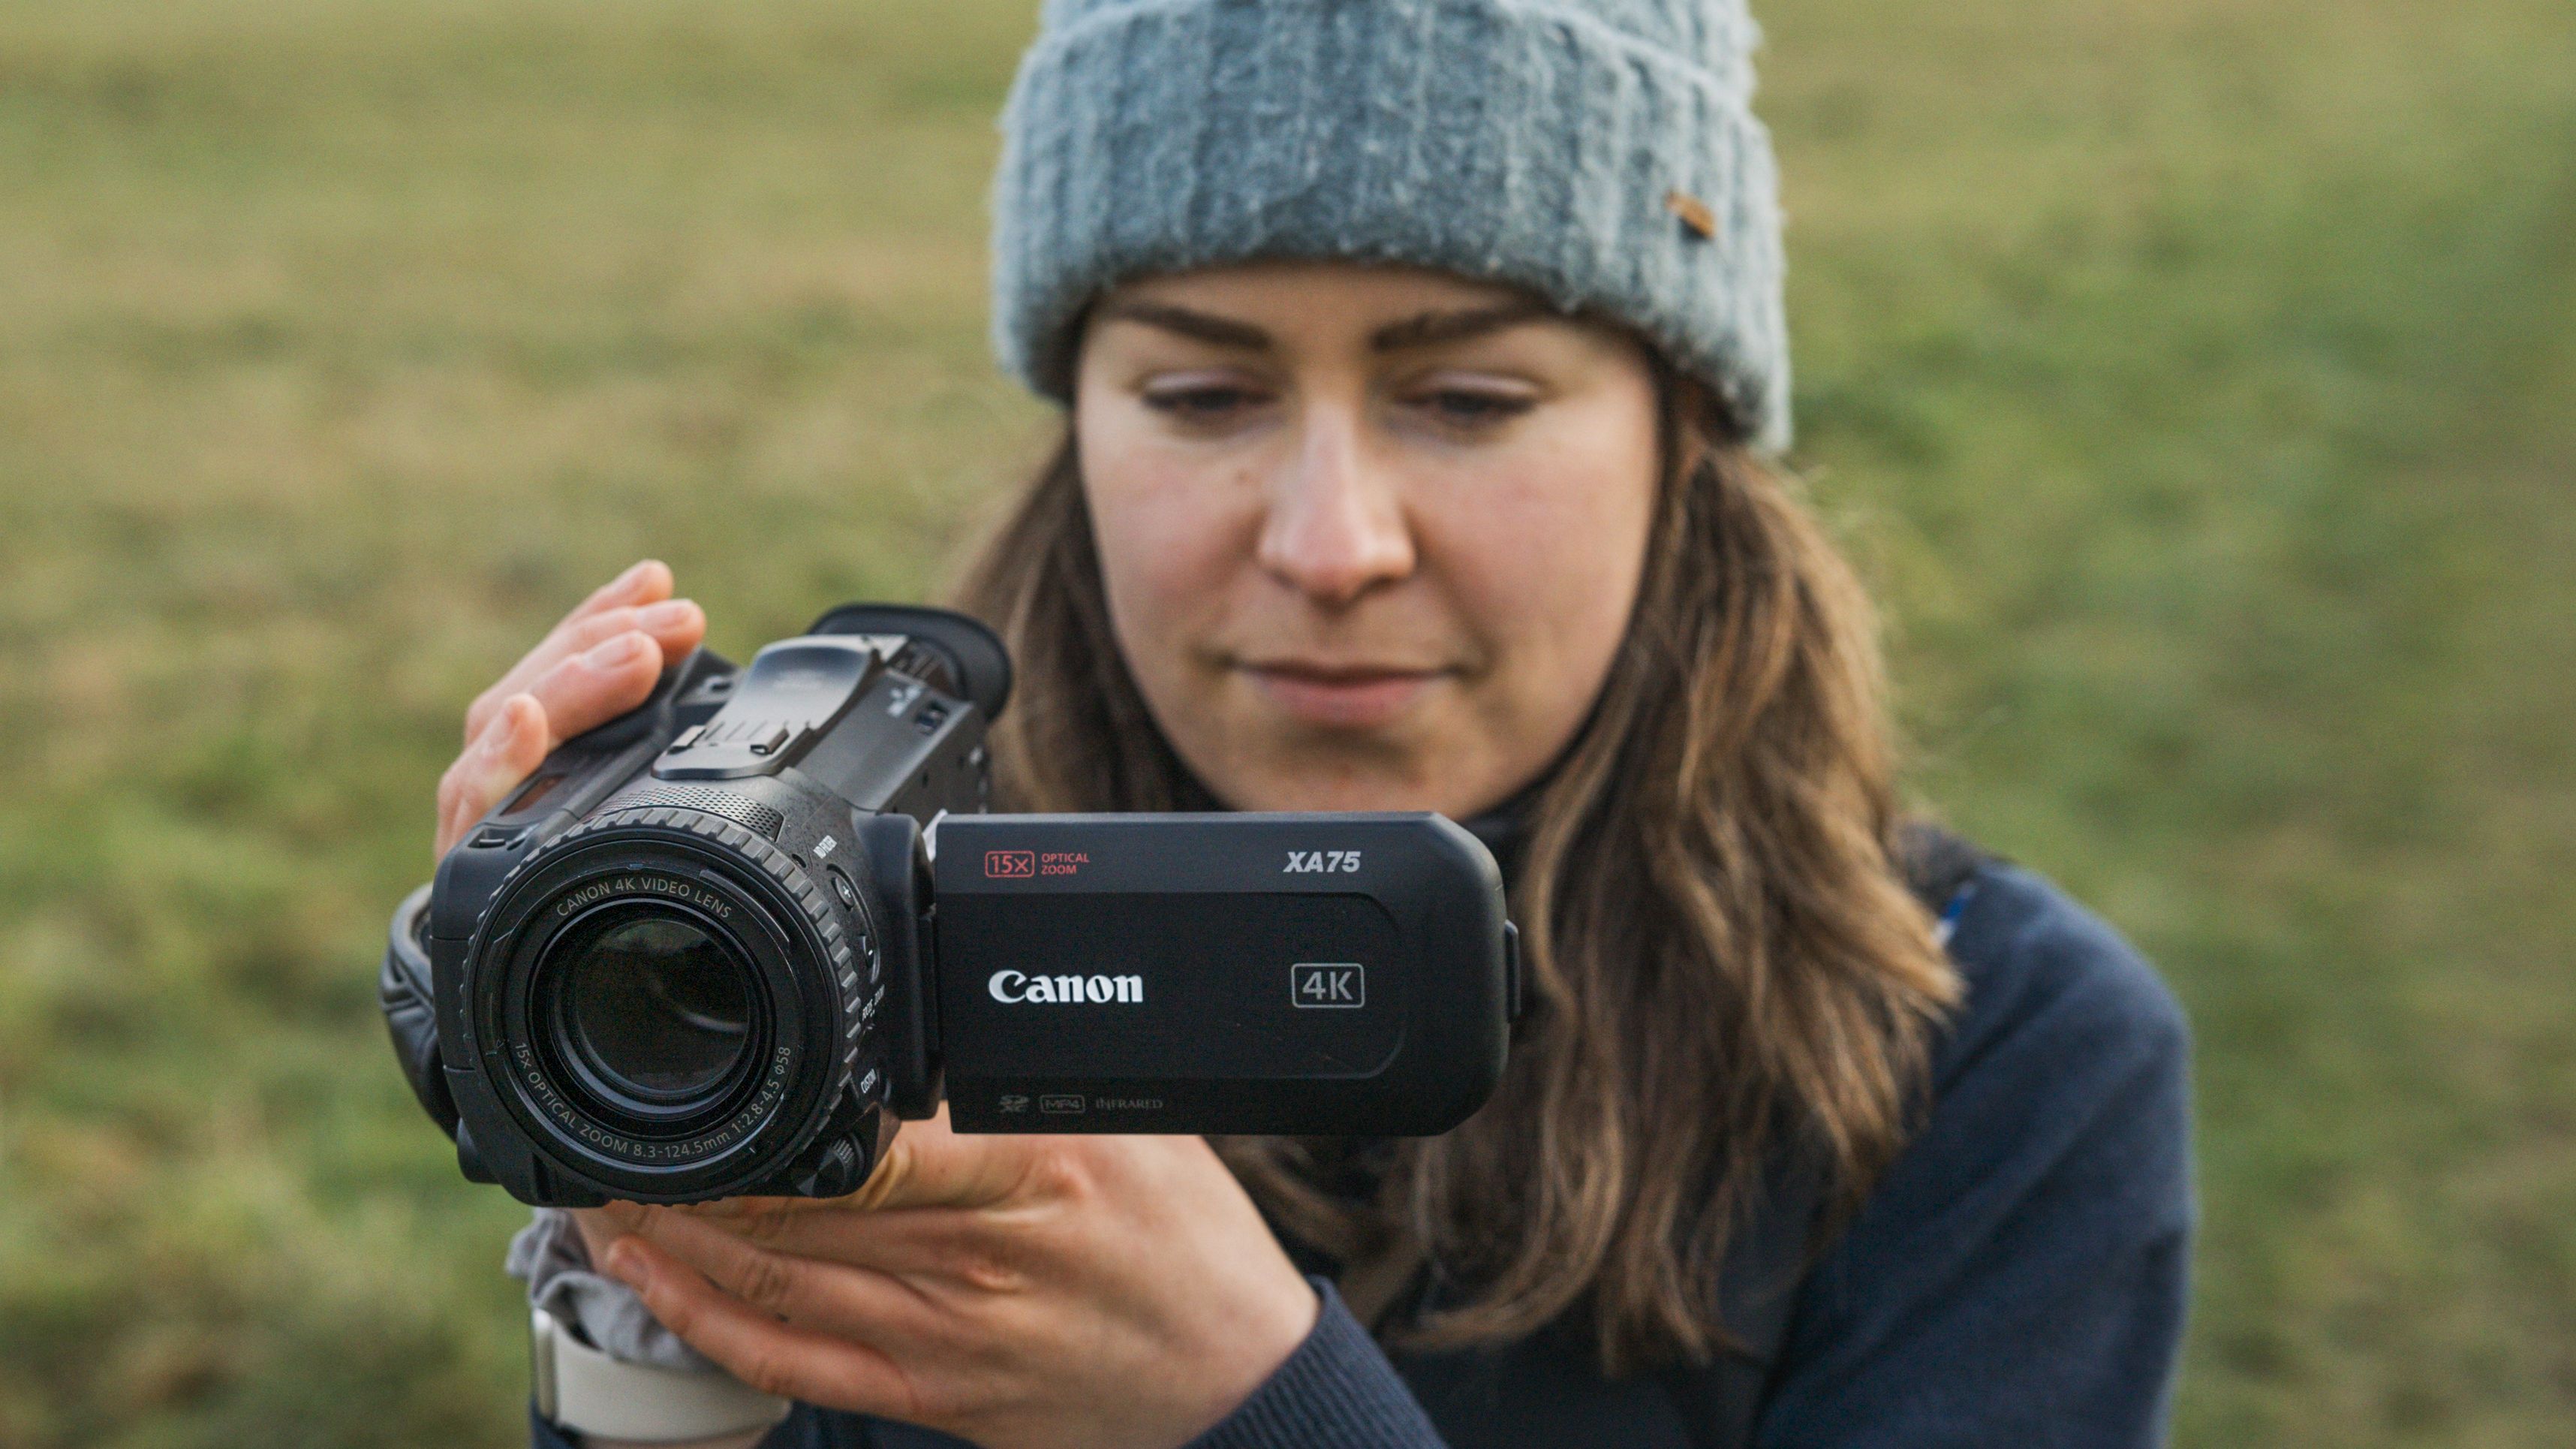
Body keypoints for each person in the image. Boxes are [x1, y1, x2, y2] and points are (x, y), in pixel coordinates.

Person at [431, 1, 2194, 1444]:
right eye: (1202, 392)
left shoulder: (1996, 1059)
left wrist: (1254, 1408)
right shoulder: (834, 980)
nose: (1331, 541)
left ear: (1686, 432)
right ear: (1079, 424)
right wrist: (648, 1203)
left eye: (1468, 396)